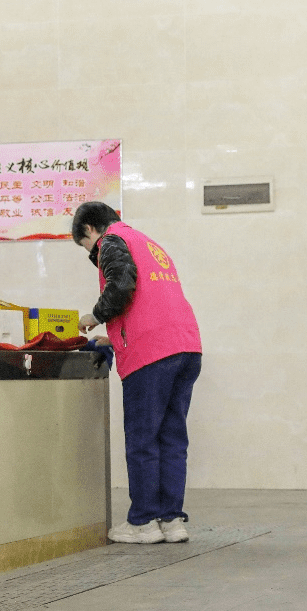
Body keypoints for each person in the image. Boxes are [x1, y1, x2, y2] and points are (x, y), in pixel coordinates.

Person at [72, 201, 203, 545]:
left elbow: (122, 287)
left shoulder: (111, 241)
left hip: (152, 355)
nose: (91, 254)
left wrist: (94, 316)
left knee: (143, 439)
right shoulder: (148, 242)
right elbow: (150, 303)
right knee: (172, 438)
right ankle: (172, 521)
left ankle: (143, 523)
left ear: (89, 230)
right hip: (186, 347)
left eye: (86, 247)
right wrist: (113, 335)